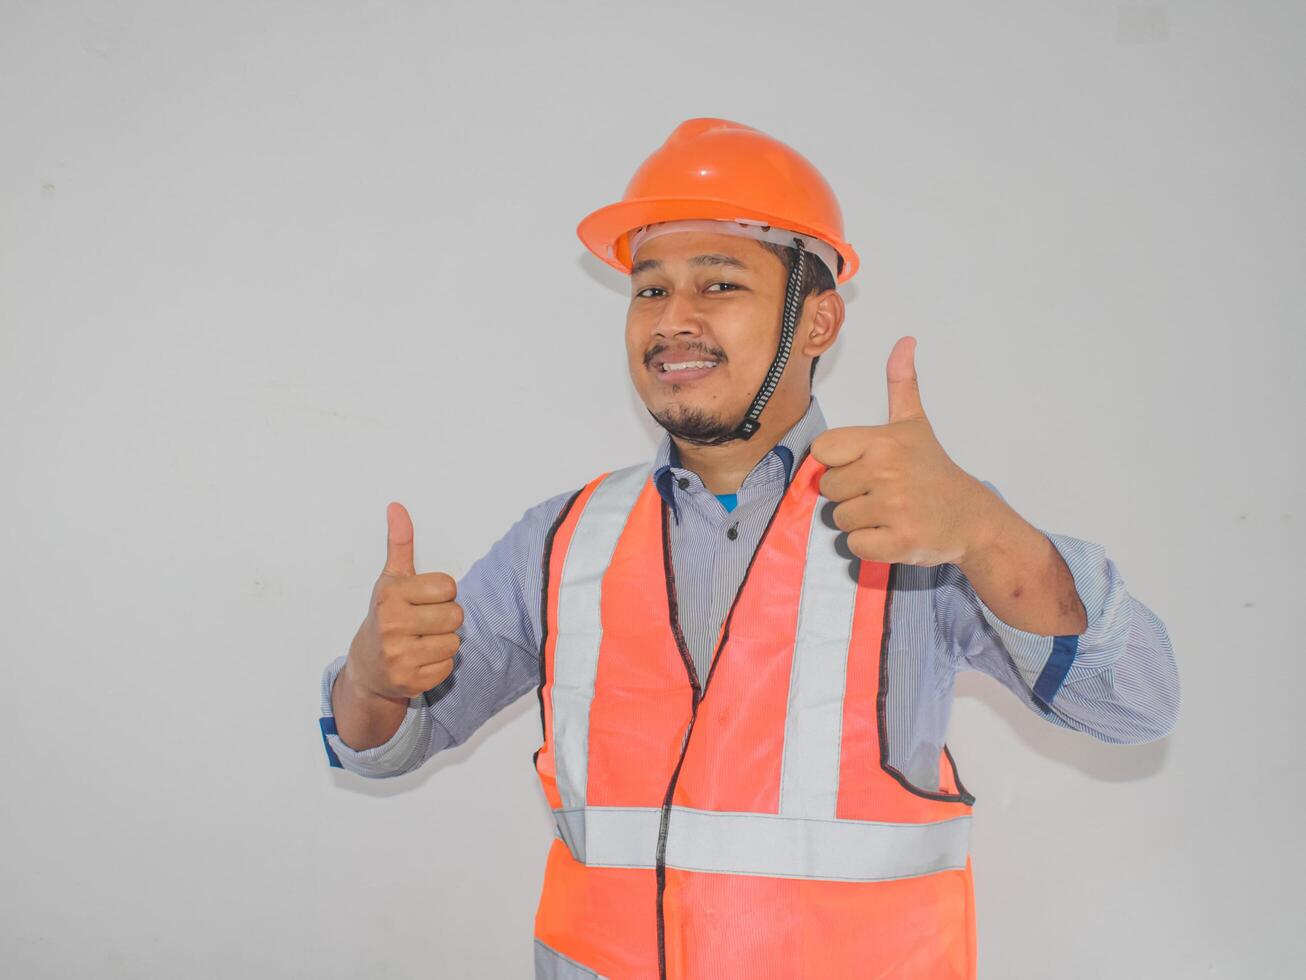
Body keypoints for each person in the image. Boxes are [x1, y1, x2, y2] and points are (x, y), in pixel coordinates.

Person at [318, 118, 1181, 979]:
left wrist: (991, 534)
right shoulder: (562, 540)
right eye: (650, 291)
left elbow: (1134, 706)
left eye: (719, 284)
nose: (674, 320)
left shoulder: (921, 520)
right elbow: (386, 745)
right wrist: (369, 679)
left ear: (818, 322)